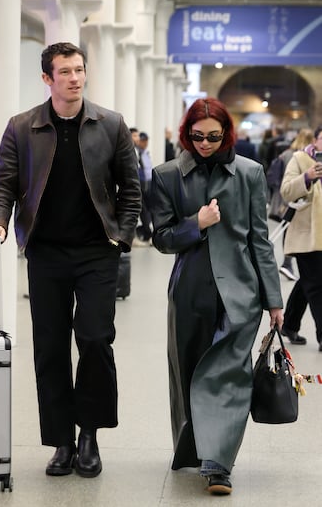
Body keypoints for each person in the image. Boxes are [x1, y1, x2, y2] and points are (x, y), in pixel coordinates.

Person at [0, 42, 141, 478]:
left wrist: (121, 239)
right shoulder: (22, 127)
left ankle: (88, 432)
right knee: (49, 349)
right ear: (47, 79)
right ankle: (61, 441)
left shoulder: (110, 124)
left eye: (79, 70)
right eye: (65, 72)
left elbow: (131, 189)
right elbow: (3, 182)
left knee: (94, 340)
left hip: (96, 252)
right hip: (46, 253)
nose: (75, 78)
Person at [150, 97, 283, 496]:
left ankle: (219, 464)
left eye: (213, 136)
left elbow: (260, 241)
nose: (205, 144)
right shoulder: (167, 175)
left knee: (231, 378)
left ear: (227, 134)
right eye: (197, 137)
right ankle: (193, 448)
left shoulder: (250, 173)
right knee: (189, 372)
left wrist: (274, 300)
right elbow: (161, 237)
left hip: (240, 293)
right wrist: (197, 223)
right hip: (190, 289)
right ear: (185, 135)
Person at [280, 126, 322, 351]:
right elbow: (286, 191)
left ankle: (289, 324)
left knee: (308, 280)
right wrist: (307, 177)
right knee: (316, 284)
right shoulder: (299, 159)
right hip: (306, 234)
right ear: (315, 141)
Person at [267, 128, 313, 283]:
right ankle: (287, 263)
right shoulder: (304, 157)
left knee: (288, 228)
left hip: (286, 199)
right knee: (291, 230)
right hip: (297, 202)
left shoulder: (286, 154)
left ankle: (288, 264)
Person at [135, 131, 153, 245]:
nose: (145, 143)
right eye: (143, 141)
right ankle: (147, 232)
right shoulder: (136, 153)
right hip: (139, 183)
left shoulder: (146, 153)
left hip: (149, 183)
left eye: (146, 141)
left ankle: (147, 233)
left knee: (149, 209)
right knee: (143, 210)